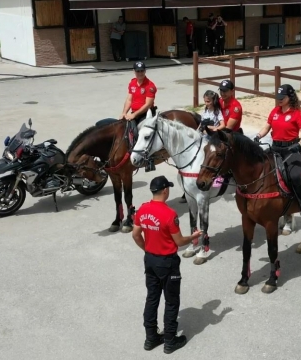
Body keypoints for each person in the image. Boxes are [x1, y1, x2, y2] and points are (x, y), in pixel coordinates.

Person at [132, 175, 202, 354]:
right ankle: (170, 340)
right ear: (165, 190)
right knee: (171, 301)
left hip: (150, 260)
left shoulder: (143, 209)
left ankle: (151, 338)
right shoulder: (169, 214)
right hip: (167, 263)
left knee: (152, 298)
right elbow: (179, 242)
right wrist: (193, 237)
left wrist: (147, 249)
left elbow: (135, 234)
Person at [253, 84, 301, 219]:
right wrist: (258, 136)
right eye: (278, 97)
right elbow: (266, 127)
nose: (279, 100)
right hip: (275, 148)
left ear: (290, 97)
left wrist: (300, 144)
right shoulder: (275, 111)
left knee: (294, 175)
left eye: (282, 97)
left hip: (290, 149)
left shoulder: (297, 114)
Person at [120, 61, 157, 137]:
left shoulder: (150, 86)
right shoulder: (132, 83)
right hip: (134, 113)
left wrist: (134, 115)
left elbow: (148, 105)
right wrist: (124, 113)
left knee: (139, 134)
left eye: (142, 71)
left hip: (146, 114)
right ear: (134, 71)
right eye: (138, 71)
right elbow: (129, 100)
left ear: (145, 71)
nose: (140, 73)